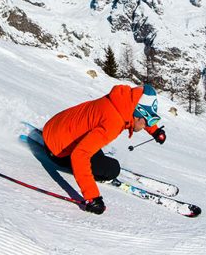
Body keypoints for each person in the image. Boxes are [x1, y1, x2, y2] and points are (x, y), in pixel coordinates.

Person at [42, 84, 167, 215]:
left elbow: (137, 113)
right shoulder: (113, 123)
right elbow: (79, 155)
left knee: (97, 152)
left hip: (53, 128)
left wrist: (155, 131)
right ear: (137, 115)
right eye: (148, 122)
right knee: (113, 169)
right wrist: (92, 197)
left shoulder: (119, 102)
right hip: (58, 152)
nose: (147, 125)